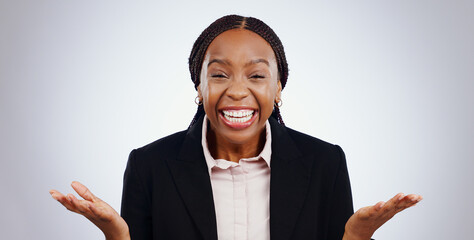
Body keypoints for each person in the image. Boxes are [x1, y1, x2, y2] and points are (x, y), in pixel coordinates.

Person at [50, 15, 422, 240]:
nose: (238, 90)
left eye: (257, 75)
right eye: (219, 74)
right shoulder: (150, 166)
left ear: (278, 88)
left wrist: (356, 237)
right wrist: (118, 236)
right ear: (199, 88)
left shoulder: (324, 163)